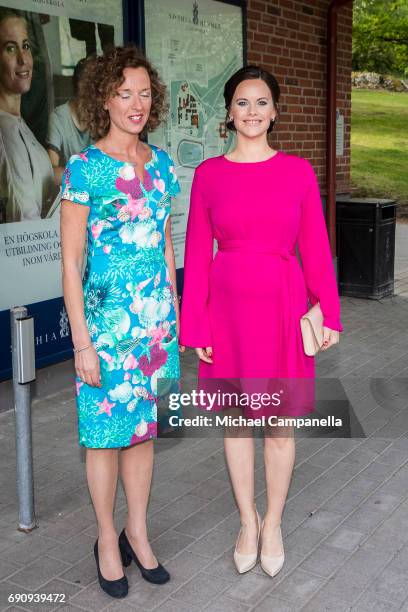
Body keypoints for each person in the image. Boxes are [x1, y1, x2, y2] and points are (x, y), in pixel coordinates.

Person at [179, 65, 342, 578]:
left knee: (278, 423)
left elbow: (315, 245)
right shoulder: (208, 174)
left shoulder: (296, 172)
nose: (252, 111)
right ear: (229, 112)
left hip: (282, 308)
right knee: (234, 424)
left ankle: (273, 522)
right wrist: (196, 326)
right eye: (243, 102)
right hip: (225, 313)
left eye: (262, 102)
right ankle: (245, 521)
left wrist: (329, 308)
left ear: (275, 111)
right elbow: (196, 253)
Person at [60, 45, 181, 598]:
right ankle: (107, 538)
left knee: (143, 432)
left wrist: (175, 310)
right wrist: (81, 342)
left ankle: (138, 530)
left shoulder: (160, 165)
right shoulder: (85, 168)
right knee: (105, 437)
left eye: (145, 93)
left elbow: (165, 242)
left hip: (156, 329)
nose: (136, 103)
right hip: (106, 330)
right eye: (124, 92)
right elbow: (69, 260)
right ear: (104, 99)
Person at [0, 8, 56, 222]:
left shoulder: (21, 126)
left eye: (25, 46)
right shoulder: (4, 133)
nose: (23, 59)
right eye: (10, 49)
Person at [46, 58, 92, 185]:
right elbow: (51, 173)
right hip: (70, 193)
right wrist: (87, 176)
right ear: (80, 86)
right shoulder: (58, 117)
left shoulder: (103, 116)